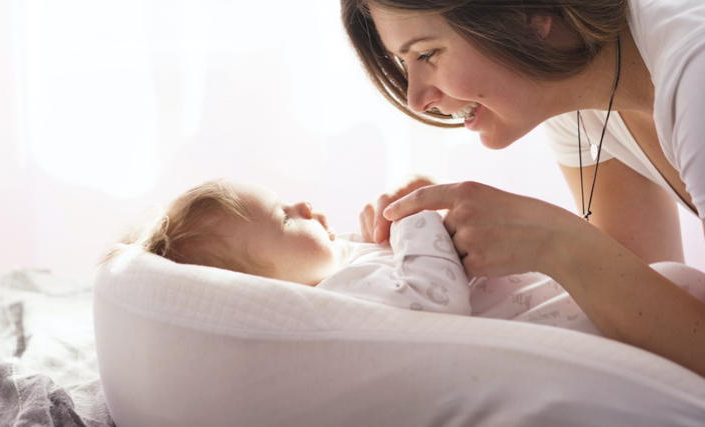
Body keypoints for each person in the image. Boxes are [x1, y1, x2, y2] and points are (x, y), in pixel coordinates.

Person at [339, 0, 705, 375]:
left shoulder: (692, 62)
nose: (417, 97)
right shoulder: (571, 78)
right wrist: (443, 243)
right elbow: (648, 294)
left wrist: (555, 240)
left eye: (428, 55)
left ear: (530, 15)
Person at [109, 178, 705, 335]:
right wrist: (418, 222)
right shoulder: (337, 300)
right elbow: (434, 303)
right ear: (260, 283)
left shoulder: (352, 271)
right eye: (283, 218)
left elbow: (411, 280)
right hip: (595, 324)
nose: (304, 203)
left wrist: (389, 239)